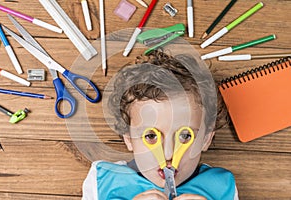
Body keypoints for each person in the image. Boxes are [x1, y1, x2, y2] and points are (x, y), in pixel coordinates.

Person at [82, 50, 238, 200]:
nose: (168, 154)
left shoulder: (221, 186)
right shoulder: (103, 179)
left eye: (185, 136)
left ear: (206, 139)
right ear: (128, 138)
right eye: (151, 136)